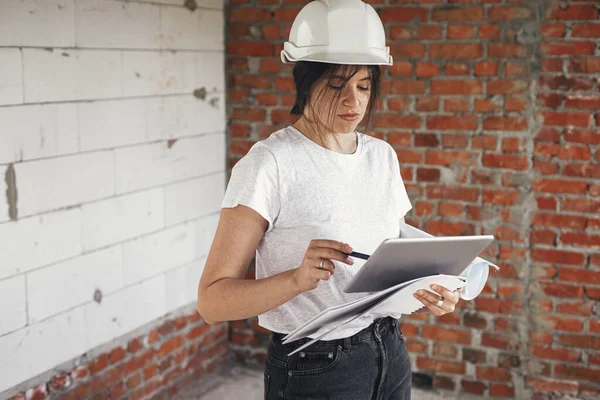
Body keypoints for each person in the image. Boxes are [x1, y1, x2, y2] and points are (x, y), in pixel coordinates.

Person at [197, 0, 461, 398]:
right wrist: (296, 280)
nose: (353, 102)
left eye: (364, 86)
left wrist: (435, 283)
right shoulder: (269, 164)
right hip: (314, 366)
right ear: (305, 81)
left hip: (388, 348)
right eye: (336, 85)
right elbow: (211, 301)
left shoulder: (381, 155)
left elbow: (389, 243)